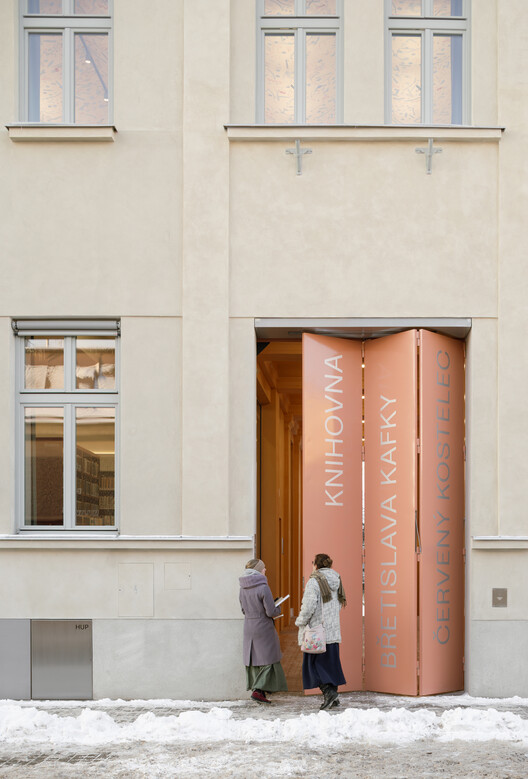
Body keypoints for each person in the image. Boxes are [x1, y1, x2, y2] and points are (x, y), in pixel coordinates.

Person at [295, 553, 347, 710]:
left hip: (317, 632)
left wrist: (301, 621)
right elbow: (339, 603)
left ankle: (329, 693)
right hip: (332, 631)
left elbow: (309, 605)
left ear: (316, 565)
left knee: (314, 665)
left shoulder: (314, 581)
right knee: (331, 664)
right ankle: (334, 697)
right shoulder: (337, 579)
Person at [239, 558, 288, 704]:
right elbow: (270, 611)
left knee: (255, 659)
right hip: (263, 627)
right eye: (263, 568)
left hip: (249, 626)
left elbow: (243, 609)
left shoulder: (242, 587)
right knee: (269, 659)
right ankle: (258, 691)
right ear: (258, 570)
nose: (265, 570)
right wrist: (277, 607)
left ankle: (259, 691)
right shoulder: (263, 586)